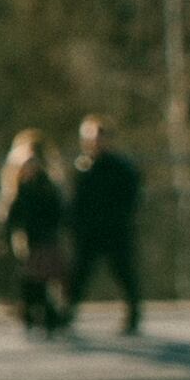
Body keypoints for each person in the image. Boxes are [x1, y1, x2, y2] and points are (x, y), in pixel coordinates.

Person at [0, 126, 71, 337]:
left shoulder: (48, 186)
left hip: (45, 237)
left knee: (44, 278)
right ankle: (32, 314)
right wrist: (3, 237)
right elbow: (8, 216)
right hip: (25, 239)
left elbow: (59, 213)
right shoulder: (16, 189)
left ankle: (48, 315)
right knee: (29, 280)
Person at [69, 114, 147, 336]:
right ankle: (68, 311)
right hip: (90, 230)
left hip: (115, 229)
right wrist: (75, 223)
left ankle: (134, 314)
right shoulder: (83, 167)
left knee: (123, 271)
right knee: (80, 272)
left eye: (98, 138)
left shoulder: (121, 168)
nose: (94, 143)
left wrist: (120, 217)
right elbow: (77, 201)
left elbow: (131, 196)